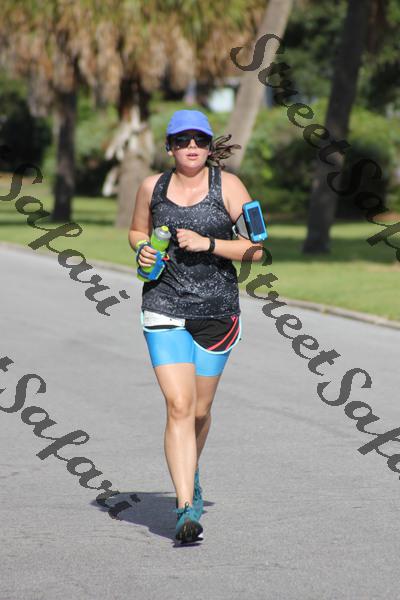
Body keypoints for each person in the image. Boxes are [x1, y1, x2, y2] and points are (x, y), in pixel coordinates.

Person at [128, 109, 264, 543]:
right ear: (169, 147)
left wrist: (209, 243)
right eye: (182, 140)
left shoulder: (230, 187)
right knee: (179, 406)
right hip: (163, 305)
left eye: (199, 140)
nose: (191, 147)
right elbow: (137, 231)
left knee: (200, 412)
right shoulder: (152, 187)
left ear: (209, 147)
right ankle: (186, 507)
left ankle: (191, 470)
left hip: (217, 312)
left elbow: (257, 249)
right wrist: (143, 249)